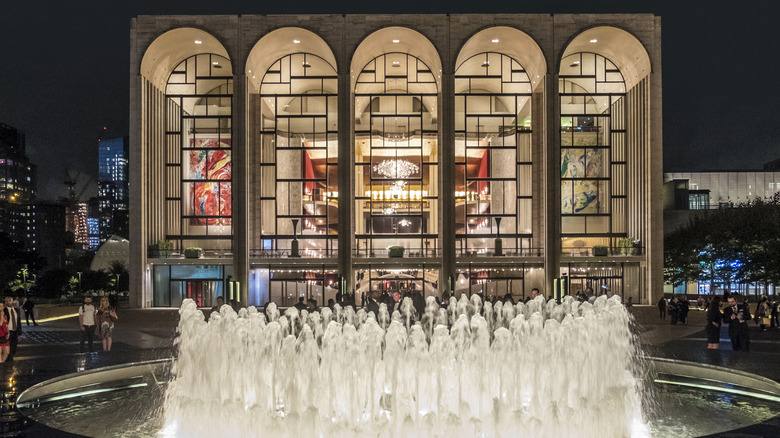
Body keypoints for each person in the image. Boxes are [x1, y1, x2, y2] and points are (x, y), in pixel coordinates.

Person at [3, 296, 21, 361]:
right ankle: (9, 362)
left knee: (14, 348)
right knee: (8, 348)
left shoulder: (17, 310)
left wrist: (20, 333)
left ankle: (10, 358)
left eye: (9, 300)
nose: (8, 302)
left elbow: (18, 322)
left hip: (15, 331)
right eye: (6, 301)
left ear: (12, 301)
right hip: (8, 331)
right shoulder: (4, 311)